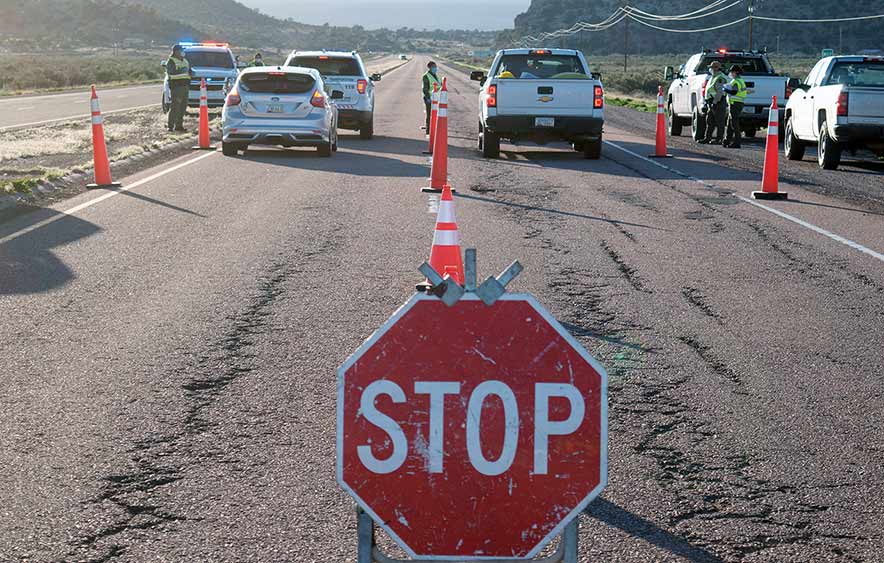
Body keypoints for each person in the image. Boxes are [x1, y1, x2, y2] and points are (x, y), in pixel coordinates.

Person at [700, 61, 728, 145]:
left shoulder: (720, 78)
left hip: (718, 102)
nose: (710, 69)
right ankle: (707, 138)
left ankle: (719, 139)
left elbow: (719, 92)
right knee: (710, 121)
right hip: (712, 102)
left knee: (719, 122)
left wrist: (715, 102)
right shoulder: (713, 77)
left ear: (716, 68)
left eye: (711, 67)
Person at [165, 44, 191, 132]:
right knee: (175, 107)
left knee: (183, 107)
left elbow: (188, 71)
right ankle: (170, 126)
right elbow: (171, 72)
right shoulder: (171, 61)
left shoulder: (185, 61)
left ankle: (179, 126)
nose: (182, 52)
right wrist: (182, 70)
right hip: (177, 87)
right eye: (180, 50)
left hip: (185, 86)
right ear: (176, 52)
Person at [723, 65, 749, 148]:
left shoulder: (736, 82)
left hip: (735, 104)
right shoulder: (740, 80)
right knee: (730, 123)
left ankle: (737, 142)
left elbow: (734, 92)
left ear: (736, 72)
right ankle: (727, 140)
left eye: (732, 72)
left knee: (734, 123)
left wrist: (725, 89)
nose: (730, 73)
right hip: (737, 103)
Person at [422, 61, 441, 131]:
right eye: (434, 67)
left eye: (435, 67)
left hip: (436, 98)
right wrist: (428, 98)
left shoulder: (435, 75)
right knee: (429, 114)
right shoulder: (426, 76)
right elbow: (425, 88)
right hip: (429, 98)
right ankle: (428, 129)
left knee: (435, 114)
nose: (435, 68)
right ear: (429, 68)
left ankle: (434, 128)